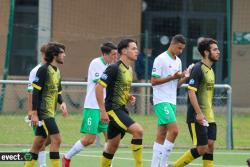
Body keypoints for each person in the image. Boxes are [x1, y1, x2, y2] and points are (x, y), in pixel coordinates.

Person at [62, 42, 118, 167]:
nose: (116, 57)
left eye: (116, 54)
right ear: (105, 54)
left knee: (111, 139)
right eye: (113, 54)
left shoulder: (112, 66)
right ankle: (67, 157)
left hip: (106, 107)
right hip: (93, 107)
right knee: (89, 140)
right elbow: (101, 84)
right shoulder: (96, 63)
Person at [171, 38, 220, 167]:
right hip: (197, 116)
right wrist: (198, 114)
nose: (218, 52)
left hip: (209, 116)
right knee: (202, 148)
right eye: (215, 49)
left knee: (210, 145)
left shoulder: (211, 70)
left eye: (217, 49)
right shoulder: (198, 69)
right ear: (205, 52)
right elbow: (191, 91)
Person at [96, 39, 144, 167]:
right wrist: (103, 111)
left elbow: (117, 88)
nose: (137, 51)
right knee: (138, 131)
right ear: (123, 51)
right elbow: (99, 87)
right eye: (133, 48)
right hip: (113, 109)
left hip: (121, 109)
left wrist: (128, 97)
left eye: (136, 48)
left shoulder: (128, 69)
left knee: (112, 145)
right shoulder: (113, 68)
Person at [24, 42, 68, 167]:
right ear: (55, 55)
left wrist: (62, 102)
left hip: (50, 112)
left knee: (38, 143)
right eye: (62, 53)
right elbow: (35, 91)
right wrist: (34, 113)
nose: (65, 55)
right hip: (44, 112)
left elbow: (57, 91)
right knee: (57, 140)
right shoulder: (43, 70)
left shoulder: (57, 71)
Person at [150, 34, 191, 167]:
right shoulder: (160, 59)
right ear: (173, 44)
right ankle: (163, 164)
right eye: (179, 48)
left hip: (171, 101)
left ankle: (154, 165)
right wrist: (172, 77)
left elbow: (176, 84)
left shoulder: (178, 61)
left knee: (162, 133)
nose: (180, 51)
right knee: (174, 131)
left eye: (182, 49)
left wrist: (184, 77)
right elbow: (154, 81)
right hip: (161, 100)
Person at [26, 43, 49, 167]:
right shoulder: (36, 70)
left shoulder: (51, 70)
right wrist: (31, 111)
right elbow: (30, 92)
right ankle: (41, 164)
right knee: (42, 138)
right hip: (38, 111)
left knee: (47, 139)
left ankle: (28, 156)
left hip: (48, 112)